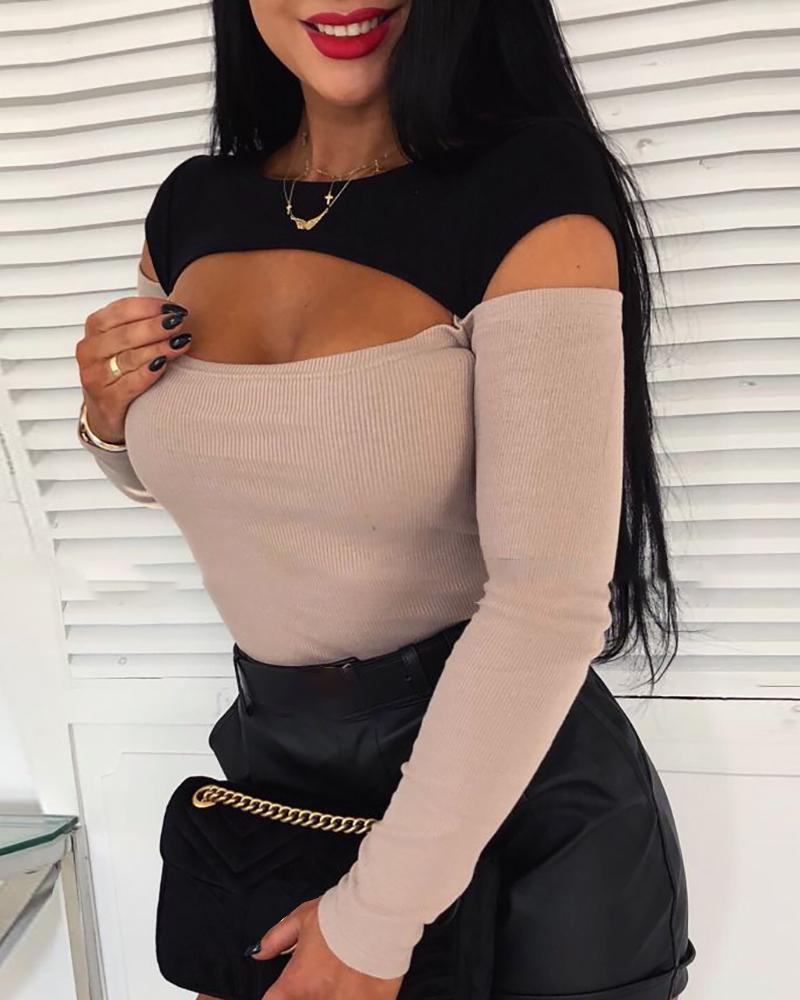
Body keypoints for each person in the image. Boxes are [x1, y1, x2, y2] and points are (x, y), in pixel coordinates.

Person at [75, 2, 697, 998]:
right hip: (281, 787)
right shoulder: (191, 205)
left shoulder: (529, 191)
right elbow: (232, 479)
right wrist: (109, 424)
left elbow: (549, 600)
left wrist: (374, 921)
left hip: (512, 816)